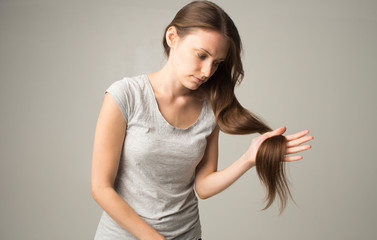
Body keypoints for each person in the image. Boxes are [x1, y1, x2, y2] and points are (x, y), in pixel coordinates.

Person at [91, 1, 313, 239]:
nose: (207, 71)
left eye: (217, 63)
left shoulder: (210, 108)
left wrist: (248, 159)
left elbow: (203, 186)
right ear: (172, 37)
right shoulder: (125, 95)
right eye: (201, 55)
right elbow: (101, 188)